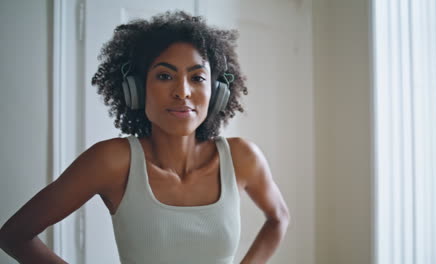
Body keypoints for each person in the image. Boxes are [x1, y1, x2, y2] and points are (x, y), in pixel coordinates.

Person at [0, 10, 290, 264]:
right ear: (136, 89)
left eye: (197, 77)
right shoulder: (113, 161)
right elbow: (14, 236)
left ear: (217, 92)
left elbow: (279, 218)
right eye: (165, 76)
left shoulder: (242, 157)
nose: (183, 92)